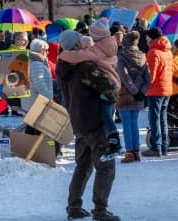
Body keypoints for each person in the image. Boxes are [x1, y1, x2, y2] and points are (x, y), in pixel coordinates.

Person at [56, 30, 119, 221]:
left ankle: (73, 206)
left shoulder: (62, 65)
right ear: (76, 46)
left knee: (83, 165)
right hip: (94, 120)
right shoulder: (85, 67)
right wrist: (112, 98)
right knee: (106, 165)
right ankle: (100, 209)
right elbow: (107, 86)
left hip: (78, 121)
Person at [57, 18, 122, 160]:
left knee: (106, 114)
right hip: (94, 112)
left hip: (81, 115)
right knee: (107, 115)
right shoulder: (108, 46)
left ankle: (114, 140)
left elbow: (79, 55)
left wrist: (63, 54)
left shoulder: (92, 54)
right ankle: (113, 140)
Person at [115, 31, 150, 163]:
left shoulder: (121, 56)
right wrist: (141, 92)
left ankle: (129, 152)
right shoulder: (143, 56)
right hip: (139, 96)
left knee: (126, 125)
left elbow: (124, 77)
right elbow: (148, 78)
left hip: (125, 94)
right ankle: (136, 152)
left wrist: (134, 91)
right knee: (134, 123)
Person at [143, 28, 173, 157]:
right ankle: (164, 147)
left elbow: (151, 76)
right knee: (163, 119)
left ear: (151, 37)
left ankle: (156, 148)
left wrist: (143, 86)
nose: (146, 40)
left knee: (154, 119)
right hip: (166, 89)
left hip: (156, 90)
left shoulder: (153, 52)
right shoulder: (168, 51)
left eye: (147, 38)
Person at [22, 39, 53, 115]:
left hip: (31, 101)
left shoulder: (30, 60)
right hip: (36, 102)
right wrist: (49, 96)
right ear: (41, 50)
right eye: (46, 50)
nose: (47, 52)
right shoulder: (36, 63)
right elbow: (39, 84)